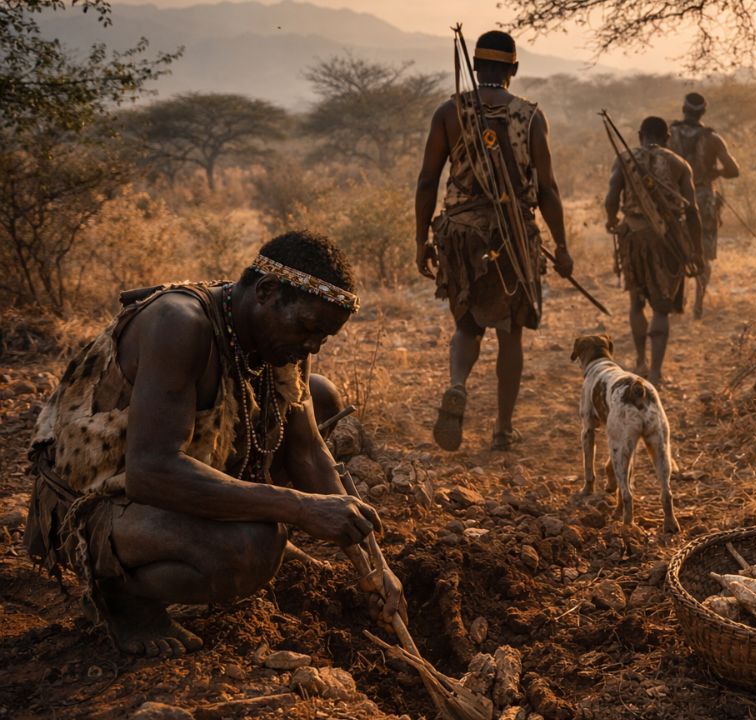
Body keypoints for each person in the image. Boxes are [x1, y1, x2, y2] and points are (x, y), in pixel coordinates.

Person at [25, 231, 404, 658]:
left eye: (324, 337)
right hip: (92, 499)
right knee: (253, 546)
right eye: (308, 329)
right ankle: (122, 597)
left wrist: (374, 566)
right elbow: (151, 472)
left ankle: (218, 536)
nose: (313, 345)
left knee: (318, 394)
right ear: (266, 291)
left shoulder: (280, 336)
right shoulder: (180, 324)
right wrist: (296, 507)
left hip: (163, 482)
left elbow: (306, 451)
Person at [415, 30, 573, 452]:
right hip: (513, 235)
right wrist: (562, 246)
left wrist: (419, 241)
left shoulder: (450, 112)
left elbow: (428, 180)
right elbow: (548, 191)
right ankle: (503, 429)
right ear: (514, 70)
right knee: (510, 332)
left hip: (461, 234)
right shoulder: (531, 117)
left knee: (467, 326)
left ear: (478, 67)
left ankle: (458, 385)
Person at [604, 116, 701, 386]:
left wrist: (612, 220)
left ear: (639, 135)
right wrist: (696, 251)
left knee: (636, 302)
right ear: (667, 137)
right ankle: (656, 373)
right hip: (667, 240)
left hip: (633, 237)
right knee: (661, 307)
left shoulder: (624, 159)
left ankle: (639, 361)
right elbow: (692, 211)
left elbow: (612, 197)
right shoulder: (679, 164)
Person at [669, 92, 740, 319]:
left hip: (674, 199)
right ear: (703, 112)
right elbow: (733, 170)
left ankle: (676, 302)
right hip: (703, 198)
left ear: (683, 108)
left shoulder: (669, 134)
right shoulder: (713, 139)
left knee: (675, 249)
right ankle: (698, 303)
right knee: (704, 253)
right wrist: (713, 172)